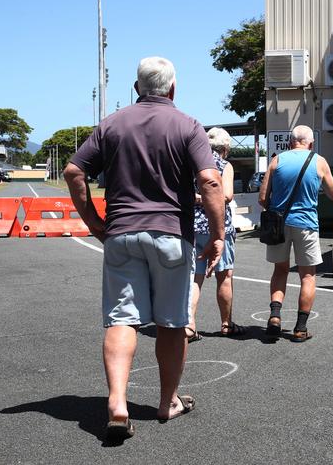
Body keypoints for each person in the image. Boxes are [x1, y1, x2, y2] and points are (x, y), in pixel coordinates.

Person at [63, 57, 225, 441]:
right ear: (173, 88)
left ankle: (117, 403)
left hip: (121, 233)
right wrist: (216, 234)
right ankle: (167, 401)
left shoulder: (112, 124)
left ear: (136, 88)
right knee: (171, 322)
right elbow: (210, 182)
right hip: (171, 234)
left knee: (122, 319)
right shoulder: (188, 125)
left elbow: (74, 171)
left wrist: (93, 222)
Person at [258, 125, 333, 342]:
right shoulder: (319, 161)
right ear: (310, 143)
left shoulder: (276, 161)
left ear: (289, 142)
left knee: (280, 270)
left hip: (279, 223)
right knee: (308, 275)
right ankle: (300, 328)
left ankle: (275, 316)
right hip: (306, 224)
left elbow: (262, 198)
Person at [186, 127, 244, 341]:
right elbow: (227, 195)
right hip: (219, 227)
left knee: (194, 277)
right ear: (226, 148)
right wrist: (207, 198)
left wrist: (197, 198)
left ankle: (189, 325)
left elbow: (183, 194)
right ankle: (226, 324)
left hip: (193, 226)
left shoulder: (192, 164)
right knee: (224, 275)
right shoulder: (224, 165)